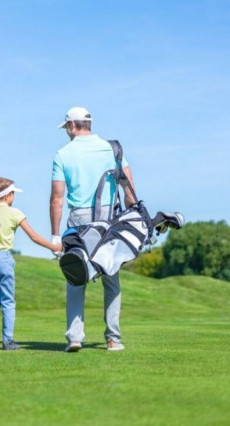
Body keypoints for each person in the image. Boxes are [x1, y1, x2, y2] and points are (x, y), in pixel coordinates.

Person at [50, 107, 136, 352]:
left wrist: (56, 236)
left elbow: (57, 198)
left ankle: (75, 338)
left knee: (76, 276)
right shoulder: (112, 149)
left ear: (71, 126)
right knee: (111, 276)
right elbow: (129, 189)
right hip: (109, 219)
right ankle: (113, 339)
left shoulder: (63, 154)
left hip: (79, 220)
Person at [0, 177, 62, 351]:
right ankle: (8, 341)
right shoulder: (15, 213)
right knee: (8, 300)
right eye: (13, 193)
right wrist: (55, 247)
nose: (14, 196)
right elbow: (34, 236)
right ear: (7, 195)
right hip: (4, 259)